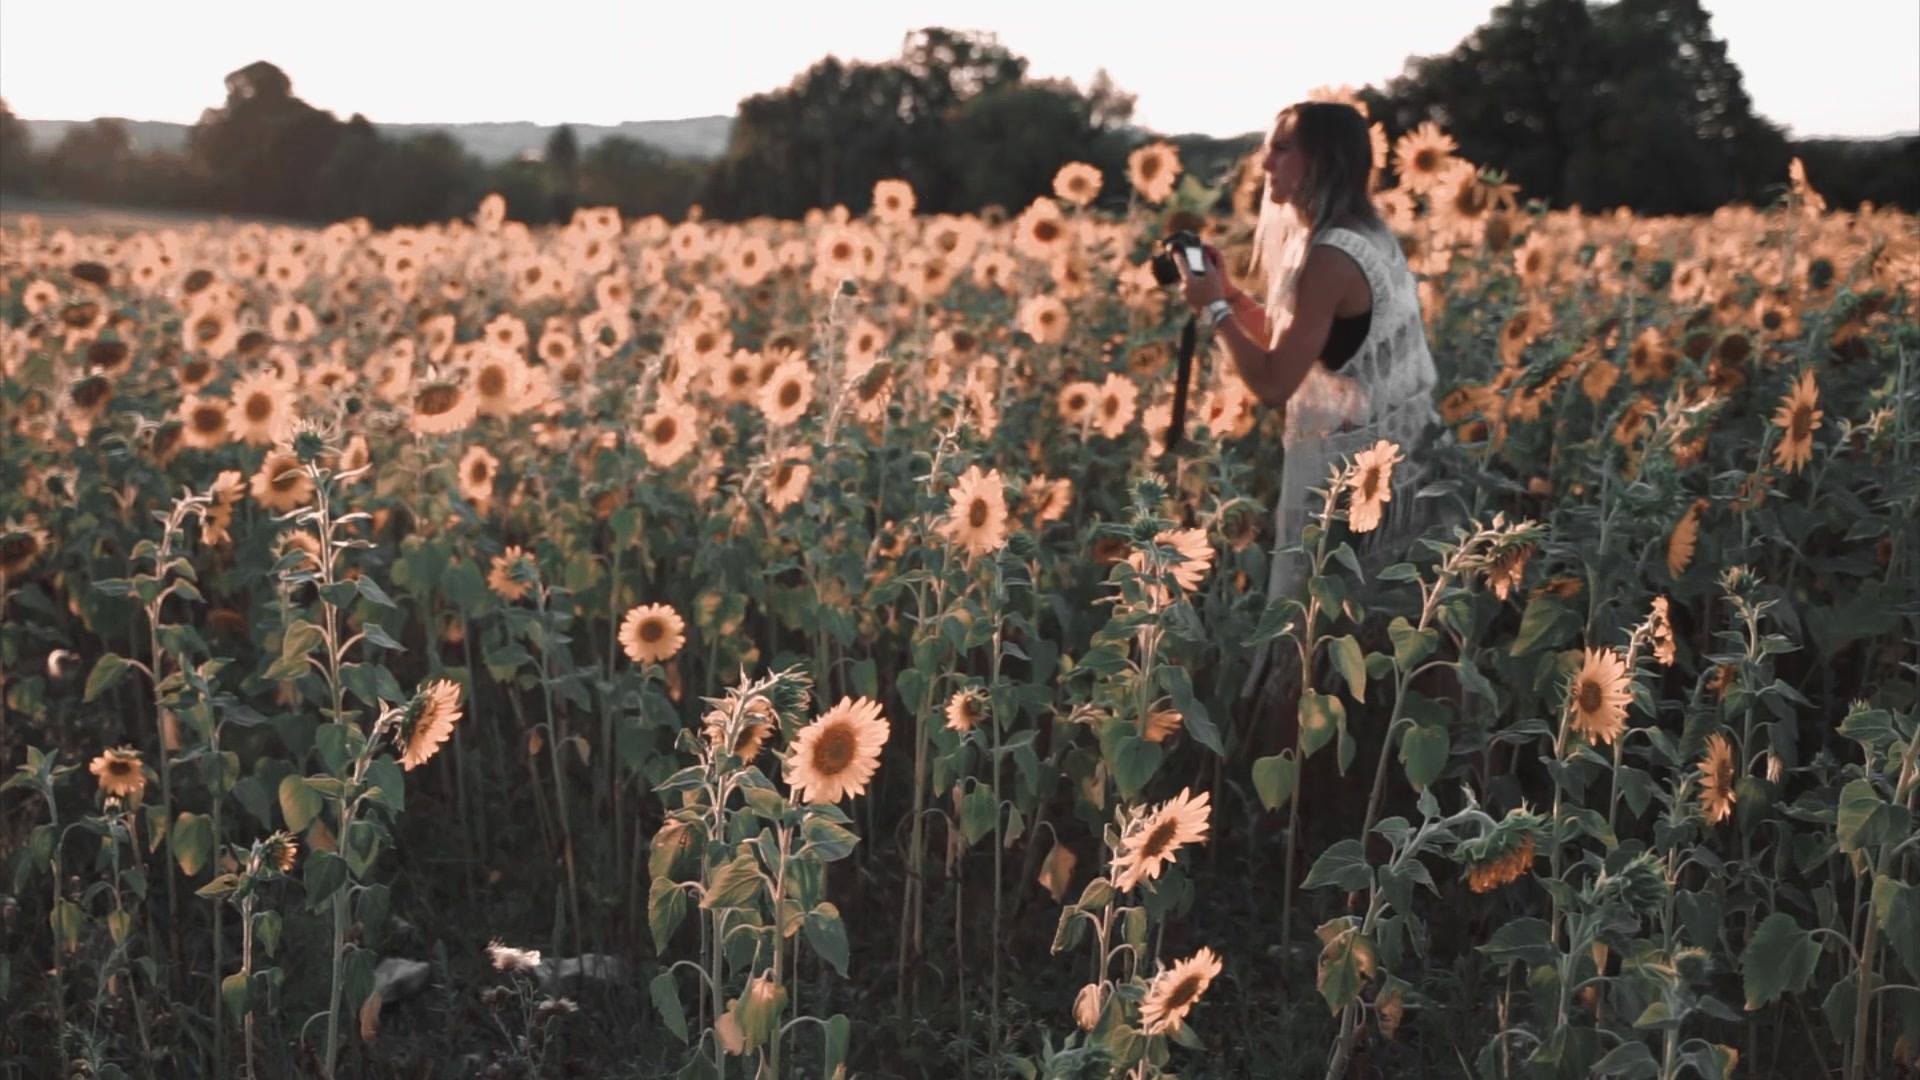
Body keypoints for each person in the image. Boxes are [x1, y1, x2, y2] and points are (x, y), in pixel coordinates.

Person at [1172, 100, 1445, 715]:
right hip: (1394, 471)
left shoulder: (1329, 256)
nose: (1264, 161)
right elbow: (1297, 340)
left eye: (1282, 147)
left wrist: (1214, 311)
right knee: (1371, 655)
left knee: (1327, 651)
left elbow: (1274, 382)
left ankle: (1307, 790)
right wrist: (1232, 296)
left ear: (1323, 161)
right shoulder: (1358, 235)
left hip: (1357, 490)